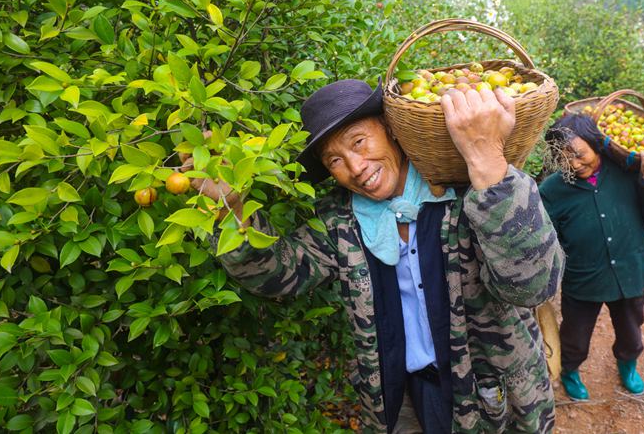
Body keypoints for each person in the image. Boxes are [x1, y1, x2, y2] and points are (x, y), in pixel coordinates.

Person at [185, 80, 565, 433]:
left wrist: (488, 164)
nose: (354, 168)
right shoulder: (339, 220)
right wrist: (232, 209)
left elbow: (534, 285)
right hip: (400, 396)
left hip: (488, 392)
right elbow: (278, 276)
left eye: (359, 142)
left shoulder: (466, 188)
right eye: (334, 160)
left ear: (392, 129)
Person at [539, 114, 644, 402]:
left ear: (596, 144)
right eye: (564, 159)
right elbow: (546, 237)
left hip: (631, 271)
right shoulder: (552, 190)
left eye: (579, 155)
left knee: (630, 331)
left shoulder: (630, 171)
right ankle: (570, 371)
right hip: (584, 277)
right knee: (575, 336)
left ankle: (628, 365)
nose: (574, 164)